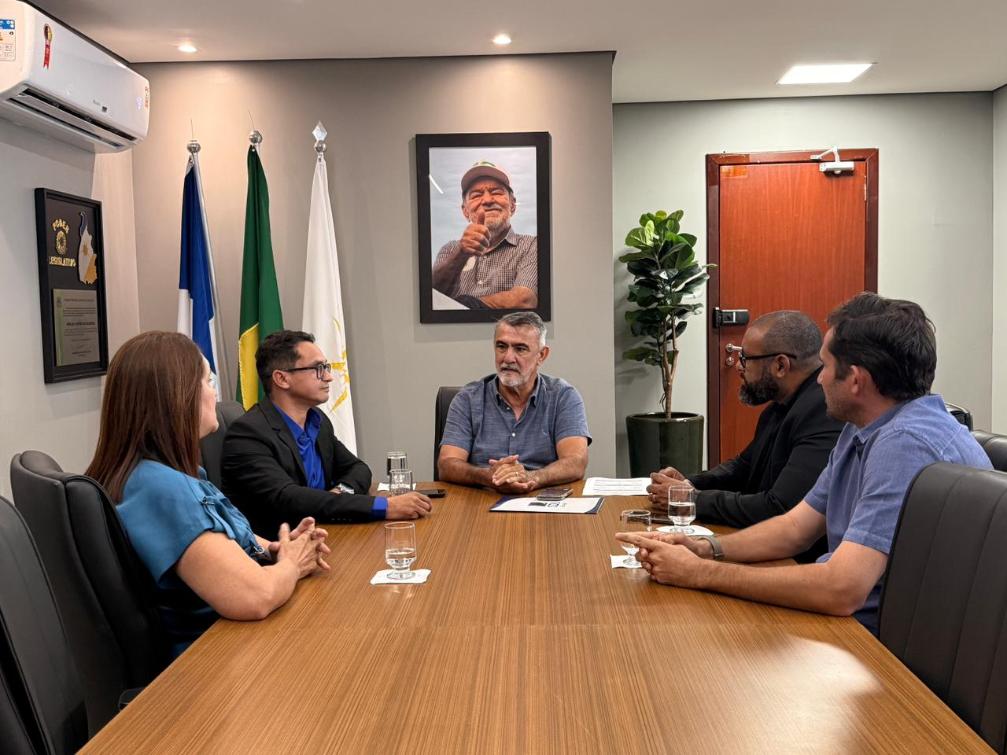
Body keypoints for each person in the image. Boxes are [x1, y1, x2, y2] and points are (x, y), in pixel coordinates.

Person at [618, 293, 991, 635]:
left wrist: (701, 574)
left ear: (857, 381)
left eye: (826, 367)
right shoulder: (862, 426)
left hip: (877, 648)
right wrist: (706, 548)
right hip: (846, 627)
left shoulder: (905, 444)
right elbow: (795, 528)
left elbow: (842, 589)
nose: (820, 378)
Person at [86, 332, 330, 657]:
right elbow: (254, 596)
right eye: (207, 380)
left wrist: (277, 548)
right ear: (176, 397)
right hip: (214, 662)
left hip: (232, 644)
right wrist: (292, 563)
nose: (215, 391)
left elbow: (226, 540)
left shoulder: (171, 474)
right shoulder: (162, 489)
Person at [647, 311, 842, 556]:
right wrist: (688, 484)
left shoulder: (821, 412)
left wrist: (693, 500)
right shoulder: (781, 404)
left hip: (795, 564)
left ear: (780, 365)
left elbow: (779, 508)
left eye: (745, 357)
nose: (738, 366)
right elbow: (744, 466)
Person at [222, 330, 431, 537]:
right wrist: (384, 506)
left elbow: (358, 469)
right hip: (276, 555)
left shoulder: (317, 420)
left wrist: (340, 493)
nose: (329, 377)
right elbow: (288, 498)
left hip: (327, 535)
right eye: (318, 369)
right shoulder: (248, 434)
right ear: (282, 379)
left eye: (326, 368)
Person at [438, 312, 590, 493]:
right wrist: (490, 477)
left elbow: (576, 462)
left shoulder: (563, 397)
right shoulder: (468, 399)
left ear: (541, 355)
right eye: (501, 346)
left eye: (520, 349)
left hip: (543, 501)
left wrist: (532, 477)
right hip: (480, 502)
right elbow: (446, 465)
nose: (508, 358)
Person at [431, 161, 537, 309]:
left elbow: (525, 300)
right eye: (476, 195)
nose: (487, 200)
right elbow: (431, 298)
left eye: (496, 192)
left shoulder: (532, 245)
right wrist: (461, 253)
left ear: (512, 205)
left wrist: (466, 305)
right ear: (465, 211)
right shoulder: (450, 250)